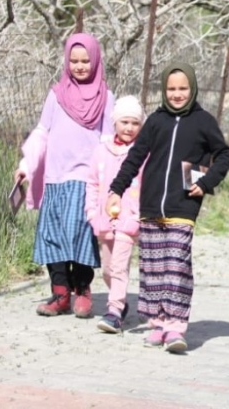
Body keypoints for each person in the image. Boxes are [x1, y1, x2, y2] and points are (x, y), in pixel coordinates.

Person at [107, 63, 229, 354]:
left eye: (183, 89)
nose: (177, 94)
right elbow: (136, 156)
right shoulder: (156, 121)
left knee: (176, 267)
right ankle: (159, 322)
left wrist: (207, 181)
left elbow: (223, 154)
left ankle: (176, 326)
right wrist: (116, 190)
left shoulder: (203, 121)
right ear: (164, 90)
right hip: (150, 206)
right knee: (153, 269)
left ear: (192, 89)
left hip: (183, 204)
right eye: (172, 89)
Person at [16, 33, 115, 319]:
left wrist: (109, 178)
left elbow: (110, 138)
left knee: (81, 234)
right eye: (74, 60)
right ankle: (60, 293)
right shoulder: (56, 95)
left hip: (86, 179)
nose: (80, 66)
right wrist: (26, 164)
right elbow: (42, 132)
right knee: (52, 236)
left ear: (95, 61)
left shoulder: (105, 97)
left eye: (86, 60)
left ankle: (82, 290)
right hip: (55, 179)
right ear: (66, 61)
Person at [84, 95, 145, 334]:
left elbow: (147, 184)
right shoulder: (102, 150)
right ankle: (122, 301)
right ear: (115, 123)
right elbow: (91, 183)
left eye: (135, 123)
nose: (129, 128)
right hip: (104, 220)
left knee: (119, 266)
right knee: (108, 269)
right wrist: (91, 212)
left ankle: (114, 312)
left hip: (129, 220)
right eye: (124, 122)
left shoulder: (142, 153)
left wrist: (138, 215)